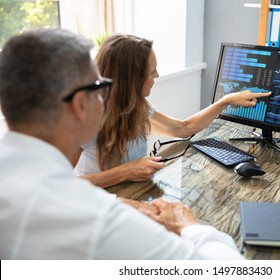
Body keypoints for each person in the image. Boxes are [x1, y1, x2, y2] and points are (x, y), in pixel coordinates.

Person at [0, 28, 245, 259]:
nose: (104, 96)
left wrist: (225, 101)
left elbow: (182, 128)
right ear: (80, 105)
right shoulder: (101, 222)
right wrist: (188, 225)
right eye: (100, 86)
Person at [74, 34, 271, 188]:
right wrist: (126, 172)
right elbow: (59, 186)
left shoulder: (137, 106)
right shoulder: (83, 117)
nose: (157, 75)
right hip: (94, 203)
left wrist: (225, 101)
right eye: (152, 72)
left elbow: (184, 128)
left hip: (129, 195)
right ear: (131, 80)